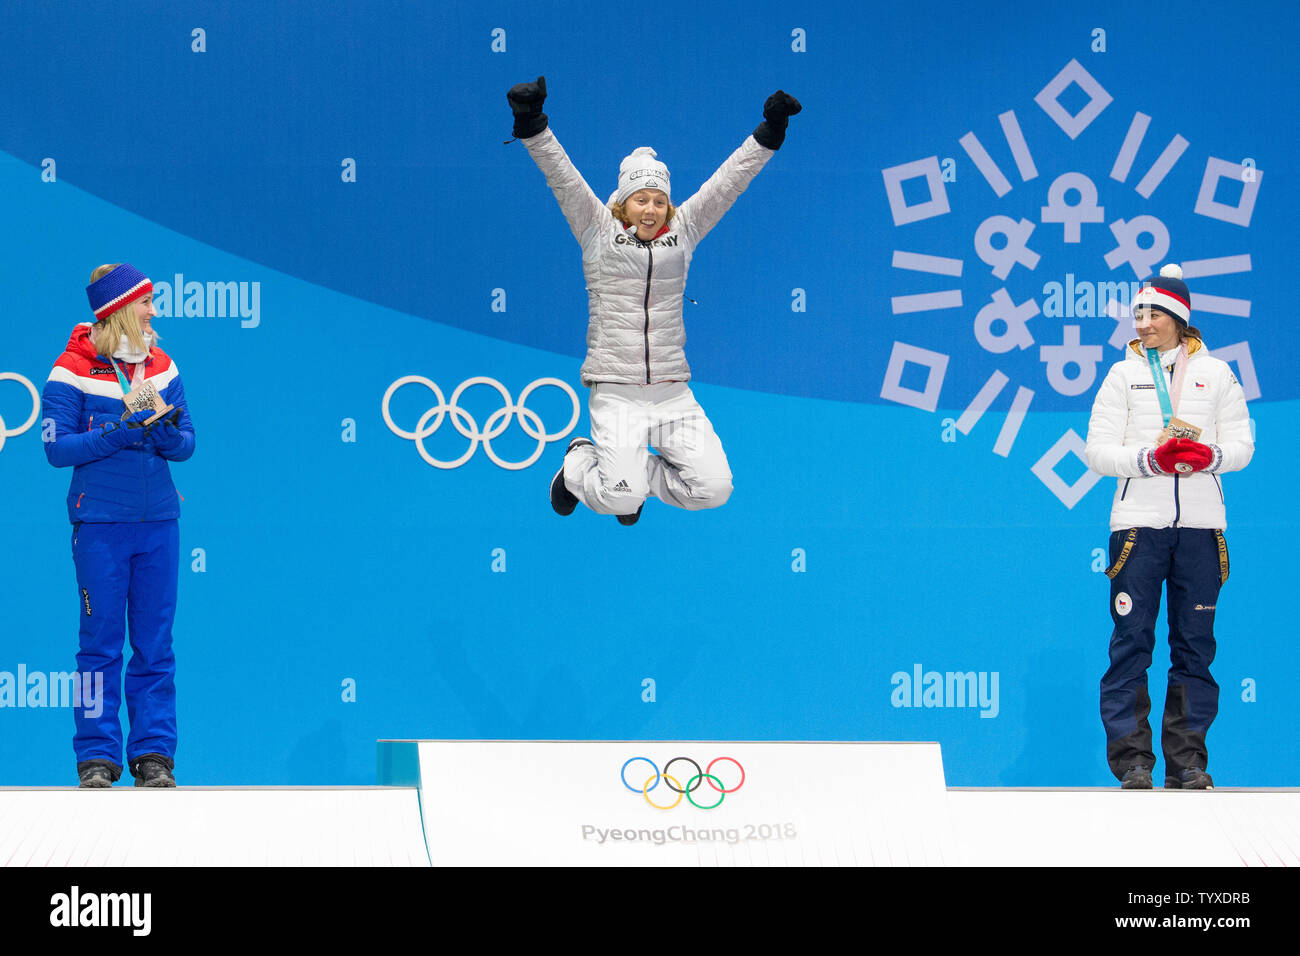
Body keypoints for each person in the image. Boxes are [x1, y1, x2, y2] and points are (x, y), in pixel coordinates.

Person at [507, 75, 801, 525]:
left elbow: (726, 185)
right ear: (624, 205)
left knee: (713, 489)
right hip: (618, 393)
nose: (650, 209)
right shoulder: (597, 232)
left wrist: (769, 132)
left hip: (672, 394)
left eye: (659, 201)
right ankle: (578, 468)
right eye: (640, 200)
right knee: (620, 501)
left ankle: (629, 476)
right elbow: (562, 178)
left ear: (669, 206)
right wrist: (531, 122)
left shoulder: (684, 234)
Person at [1084, 264, 1253, 790]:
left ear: (1179, 317)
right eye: (1138, 313)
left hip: (1202, 525)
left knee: (1196, 644)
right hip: (1138, 524)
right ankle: (1133, 762)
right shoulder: (1121, 375)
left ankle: (1188, 763)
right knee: (1131, 642)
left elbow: (1243, 447)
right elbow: (1096, 452)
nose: (1142, 322)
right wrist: (1150, 460)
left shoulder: (1219, 374)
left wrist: (1210, 455)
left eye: (1153, 313)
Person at [42, 263, 196, 788]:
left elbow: (189, 443)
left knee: (155, 645)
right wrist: (118, 432)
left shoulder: (162, 365)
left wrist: (162, 435)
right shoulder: (72, 367)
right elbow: (56, 448)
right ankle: (96, 757)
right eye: (147, 302)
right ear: (121, 309)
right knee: (99, 645)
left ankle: (154, 755)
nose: (155, 311)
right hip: (101, 525)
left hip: (159, 524)